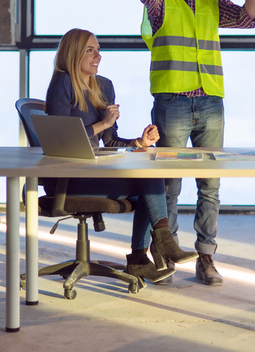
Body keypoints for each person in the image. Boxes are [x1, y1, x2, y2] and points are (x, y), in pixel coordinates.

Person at [138, 0, 255, 285]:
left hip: (210, 101)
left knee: (210, 184)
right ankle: (166, 255)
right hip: (173, 102)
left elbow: (246, 19)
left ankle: (206, 257)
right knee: (170, 185)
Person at [45, 28, 198, 284]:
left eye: (99, 50)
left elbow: (112, 141)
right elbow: (63, 142)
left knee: (153, 182)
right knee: (147, 178)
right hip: (69, 176)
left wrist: (140, 142)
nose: (98, 56)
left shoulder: (103, 86)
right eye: (90, 50)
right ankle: (158, 246)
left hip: (96, 171)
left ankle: (141, 257)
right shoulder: (63, 83)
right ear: (73, 54)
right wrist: (102, 123)